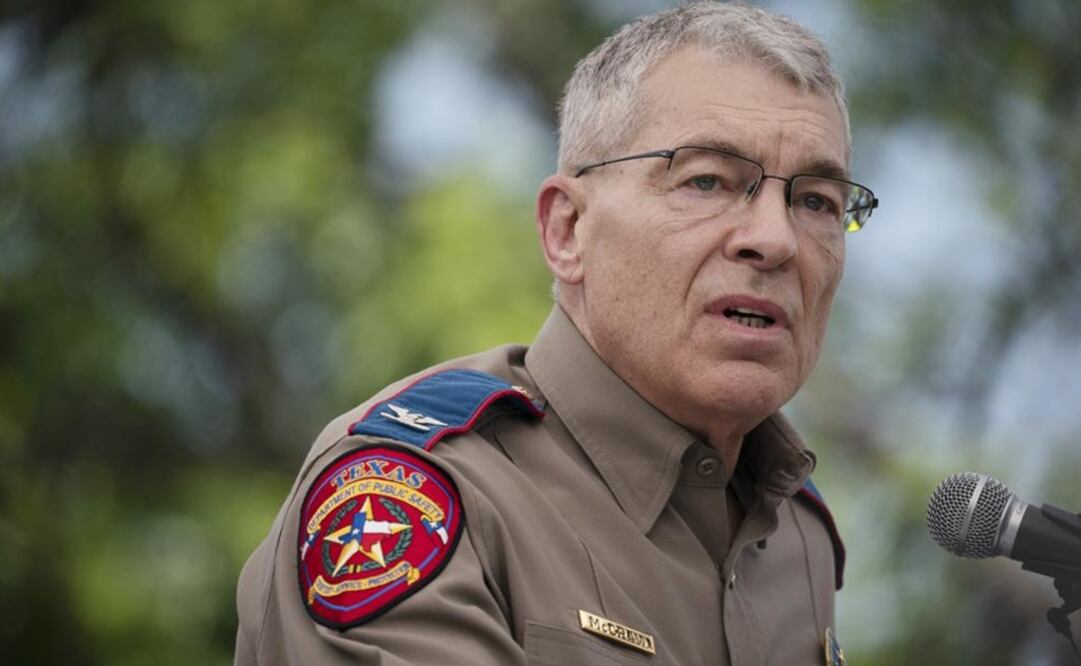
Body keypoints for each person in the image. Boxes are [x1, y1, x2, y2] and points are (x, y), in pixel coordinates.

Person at [235, 2, 878, 664]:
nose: (773, 240)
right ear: (566, 230)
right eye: (707, 181)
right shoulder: (415, 493)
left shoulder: (796, 532)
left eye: (814, 202)